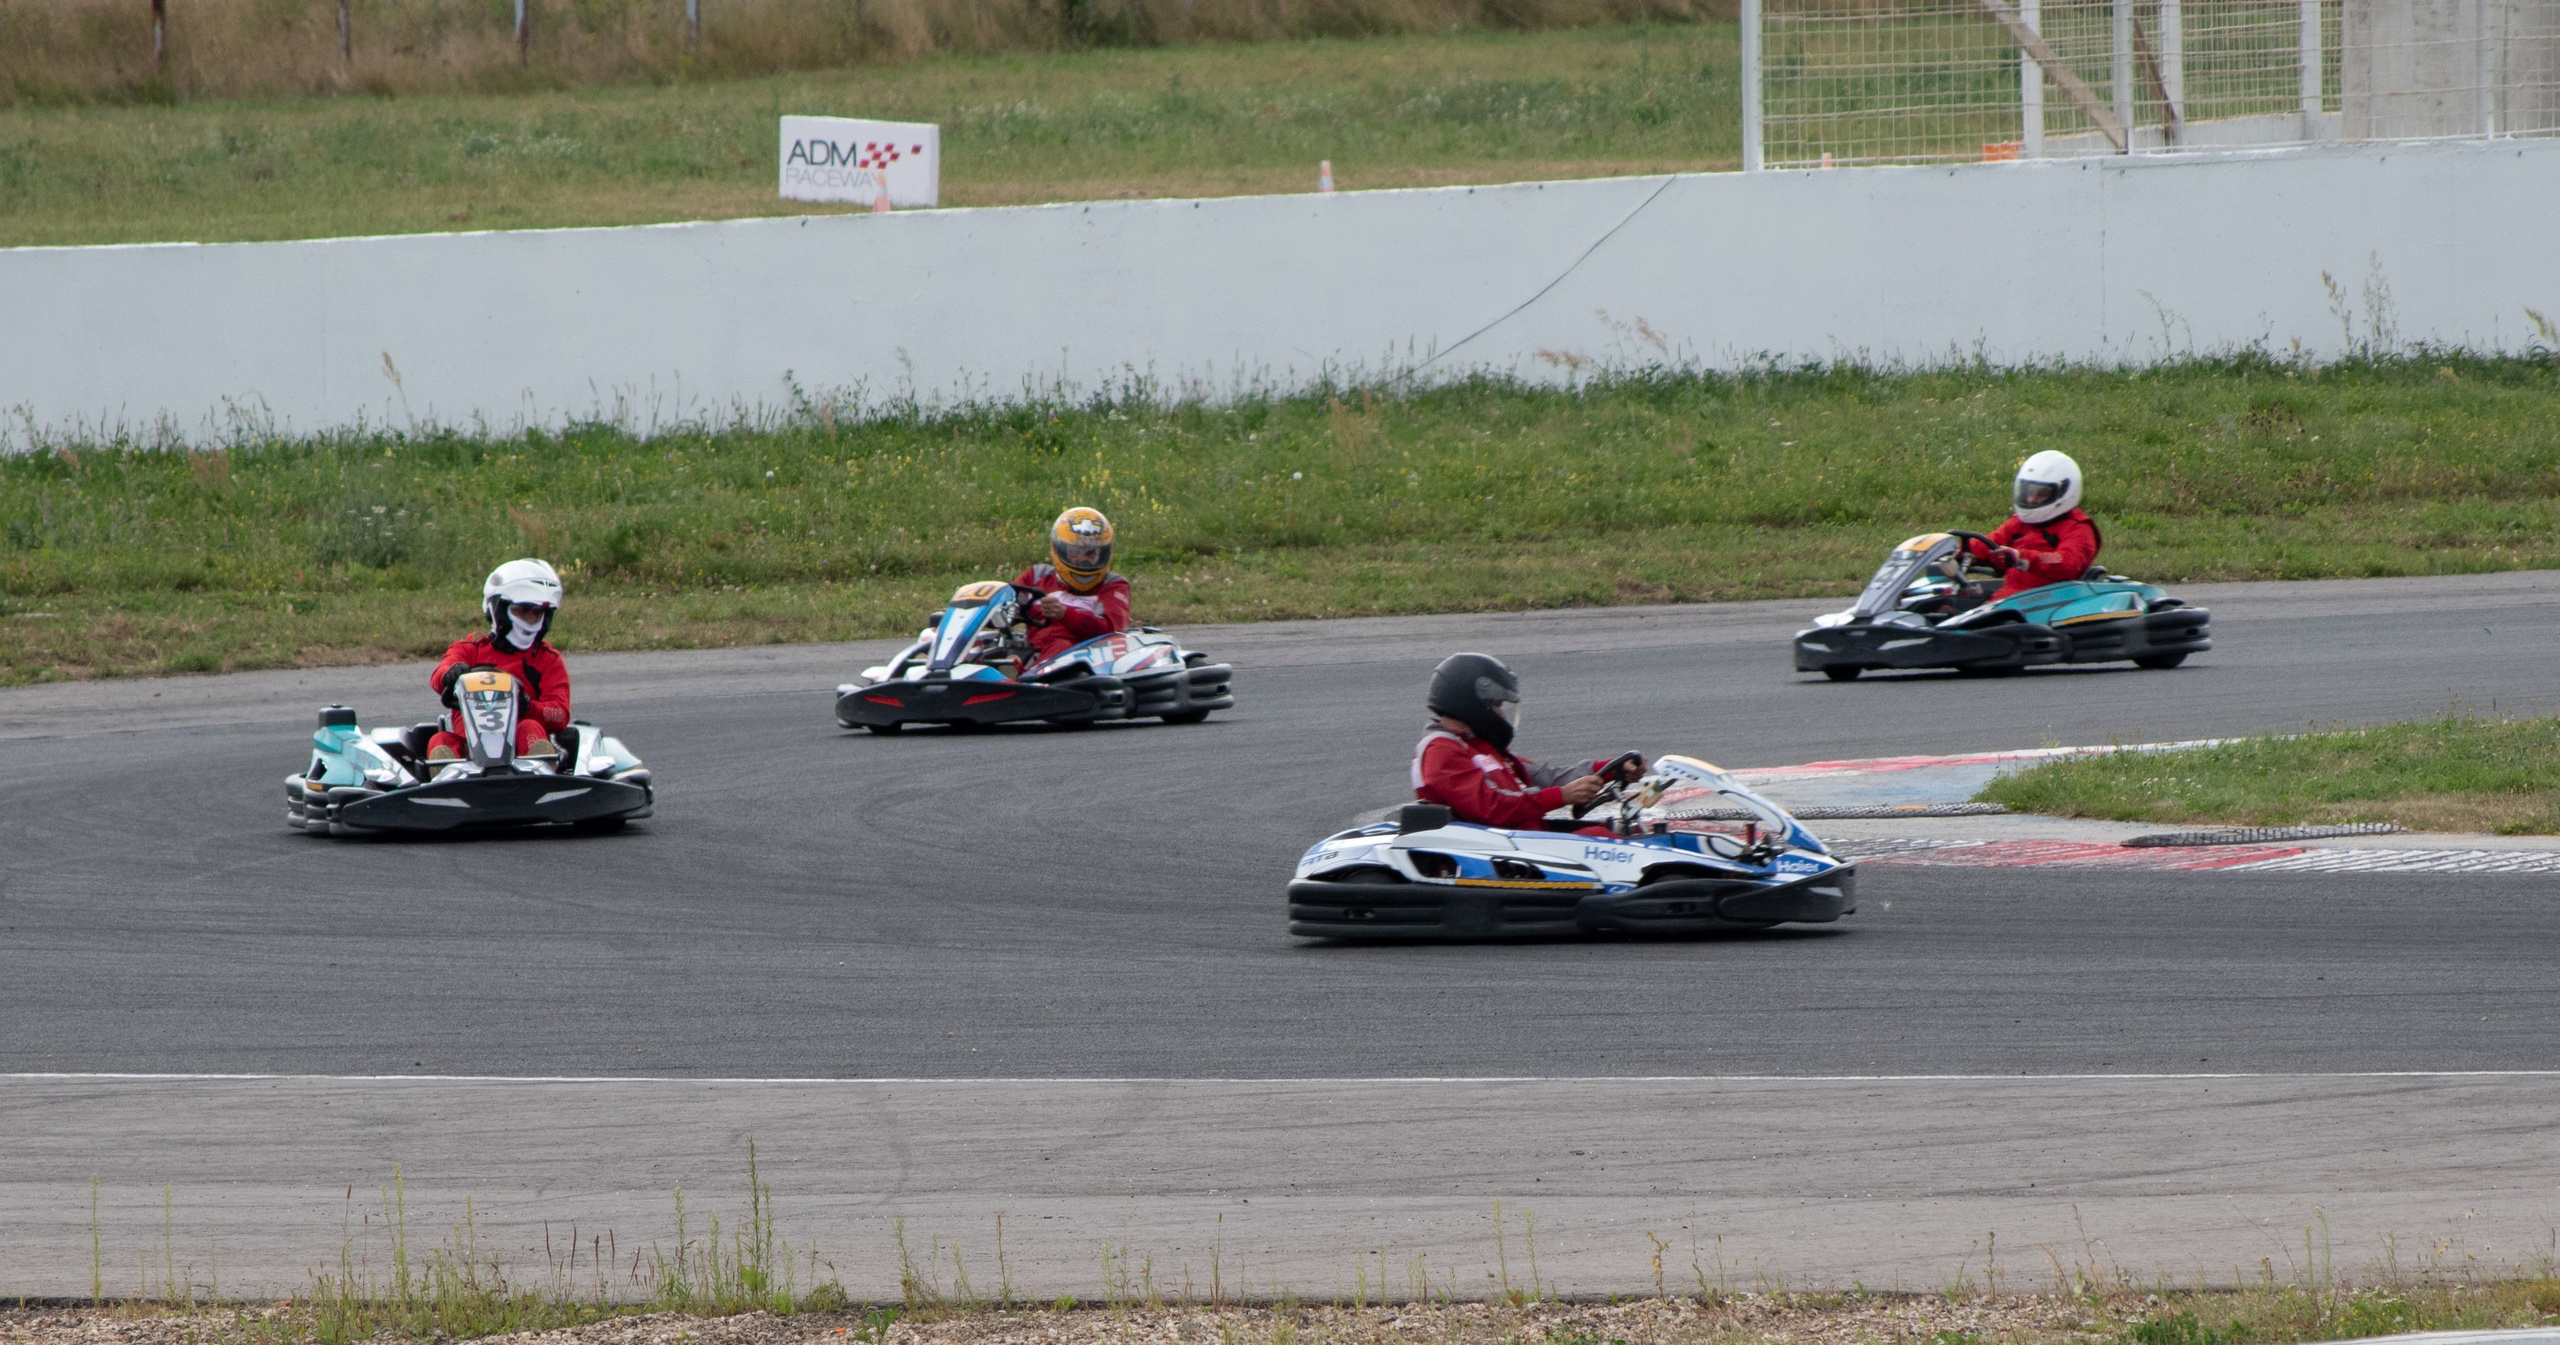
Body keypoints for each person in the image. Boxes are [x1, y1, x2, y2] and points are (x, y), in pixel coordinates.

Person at [1411, 652, 1644, 830]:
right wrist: (1561, 796)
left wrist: (1610, 770)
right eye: (1497, 705)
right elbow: (1491, 807)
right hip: (1499, 854)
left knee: (1616, 832)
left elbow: (1547, 777)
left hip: (1523, 841)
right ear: (1470, 701)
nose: (1501, 714)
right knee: (1604, 844)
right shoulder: (1440, 751)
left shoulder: (1478, 746)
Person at [426, 559, 573, 760]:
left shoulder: (547, 660)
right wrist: (450, 675)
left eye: (537, 613)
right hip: (469, 747)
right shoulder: (470, 650)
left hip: (519, 749)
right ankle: (445, 776)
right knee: (440, 741)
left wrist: (528, 707)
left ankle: (542, 766)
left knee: (530, 727)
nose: (530, 620)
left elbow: (559, 715)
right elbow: (439, 675)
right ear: (497, 609)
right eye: (522, 611)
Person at [1968, 450, 2102, 600]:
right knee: (1948, 604)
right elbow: (1989, 543)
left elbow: (2066, 564)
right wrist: (1959, 550)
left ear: (2064, 491)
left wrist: (2021, 558)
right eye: (2029, 493)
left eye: (2041, 494)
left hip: (2048, 601)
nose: (2031, 500)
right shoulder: (2020, 523)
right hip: (2009, 598)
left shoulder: (2078, 528)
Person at [1014, 506, 1132, 663]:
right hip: (1034, 653)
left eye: (1090, 553)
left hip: (1082, 663)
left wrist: (1065, 614)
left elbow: (1110, 631)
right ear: (1059, 550)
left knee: (1062, 647)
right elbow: (1004, 606)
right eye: (1075, 552)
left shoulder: (1113, 585)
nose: (1083, 560)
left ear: (1104, 553)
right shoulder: (1037, 576)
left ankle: (1021, 684)